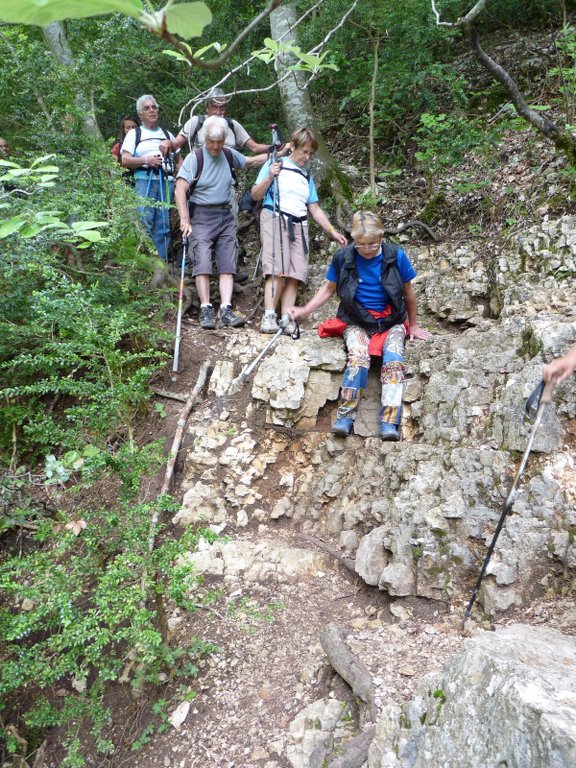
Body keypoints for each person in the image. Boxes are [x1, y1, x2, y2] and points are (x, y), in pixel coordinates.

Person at [289, 211, 431, 440]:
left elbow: (409, 293)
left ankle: (389, 423)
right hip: (355, 319)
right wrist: (305, 310)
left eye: (373, 244)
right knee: (358, 357)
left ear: (382, 237)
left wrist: (412, 326)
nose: (367, 249)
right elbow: (328, 289)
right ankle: (345, 417)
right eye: (361, 244)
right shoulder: (343, 258)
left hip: (391, 320)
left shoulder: (396, 256)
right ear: (354, 240)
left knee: (394, 360)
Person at [174, 116, 268, 330]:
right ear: (205, 139)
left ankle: (225, 309)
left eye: (219, 141)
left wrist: (277, 153)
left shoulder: (228, 154)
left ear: (225, 140)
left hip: (225, 215)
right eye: (211, 142)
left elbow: (251, 161)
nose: (215, 146)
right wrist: (184, 219)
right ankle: (206, 308)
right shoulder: (194, 158)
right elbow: (180, 188)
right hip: (201, 216)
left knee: (227, 262)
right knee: (203, 262)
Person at [251, 127, 347, 335]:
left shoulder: (306, 176)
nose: (307, 156)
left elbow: (314, 207)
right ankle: (269, 316)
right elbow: (255, 194)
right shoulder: (275, 165)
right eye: (304, 151)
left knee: (295, 274)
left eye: (310, 153)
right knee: (276, 269)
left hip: (299, 224)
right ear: (292, 147)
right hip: (275, 218)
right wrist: (269, 176)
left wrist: (332, 230)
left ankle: (287, 317)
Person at [120, 95, 180, 261]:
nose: (152, 110)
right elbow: (124, 160)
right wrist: (147, 160)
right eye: (147, 108)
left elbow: (179, 160)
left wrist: (181, 179)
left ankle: (162, 264)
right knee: (145, 221)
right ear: (140, 113)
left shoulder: (167, 134)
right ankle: (146, 264)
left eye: (154, 107)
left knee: (163, 224)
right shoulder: (135, 134)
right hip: (144, 180)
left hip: (166, 182)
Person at [160, 87, 273, 158]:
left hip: (227, 180)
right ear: (207, 108)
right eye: (214, 107)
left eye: (222, 108)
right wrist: (167, 143)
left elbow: (255, 148)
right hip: (200, 181)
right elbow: (176, 144)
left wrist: (277, 147)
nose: (218, 112)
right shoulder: (196, 122)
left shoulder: (232, 125)